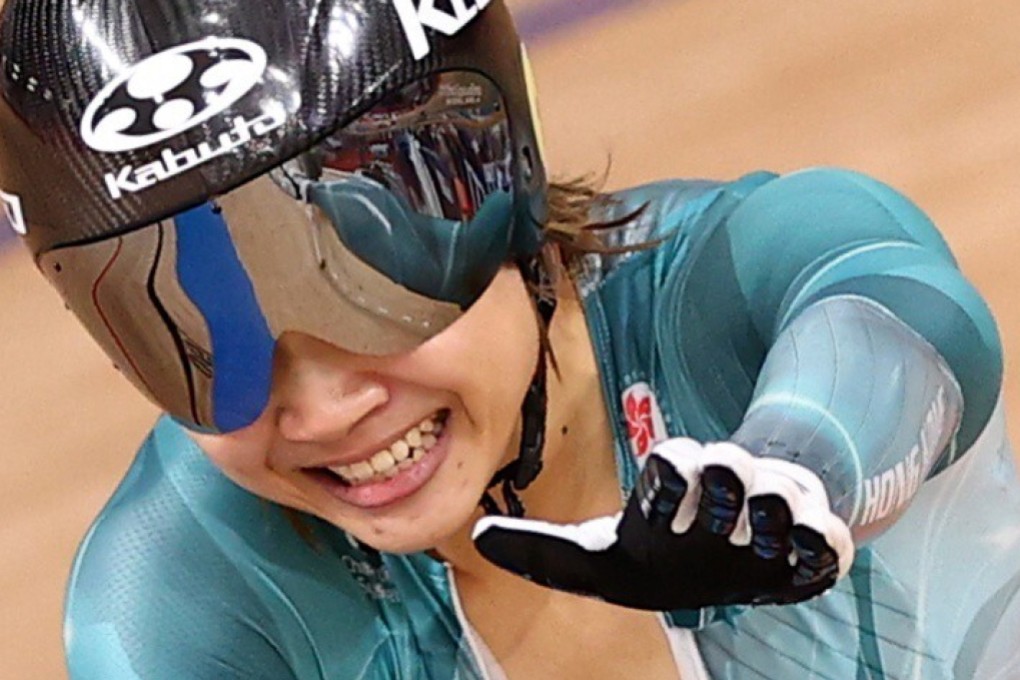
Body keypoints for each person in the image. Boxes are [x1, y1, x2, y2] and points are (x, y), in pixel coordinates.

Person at [1, 0, 1017, 678]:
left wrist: (801, 468)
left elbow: (902, 312)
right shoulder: (181, 596)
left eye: (369, 276)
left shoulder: (730, 284)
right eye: (192, 331)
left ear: (502, 185)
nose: (318, 410)